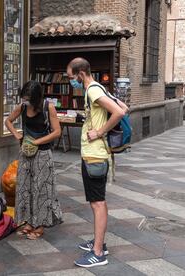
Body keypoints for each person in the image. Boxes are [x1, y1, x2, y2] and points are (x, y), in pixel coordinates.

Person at [67, 58, 127, 267]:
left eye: (71, 77)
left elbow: (120, 112)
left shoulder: (92, 90)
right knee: (98, 201)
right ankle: (99, 242)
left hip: (95, 155)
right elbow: (124, 106)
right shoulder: (99, 87)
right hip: (96, 155)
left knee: (97, 203)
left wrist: (99, 131)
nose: (70, 81)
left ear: (80, 74)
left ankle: (98, 252)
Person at [4, 80, 63, 240]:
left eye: (29, 98)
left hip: (43, 154)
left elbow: (57, 132)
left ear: (37, 98)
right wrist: (17, 135)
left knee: (41, 189)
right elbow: (8, 121)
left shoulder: (47, 107)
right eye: (24, 97)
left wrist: (37, 141)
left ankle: (40, 225)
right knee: (25, 187)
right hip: (26, 154)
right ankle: (28, 222)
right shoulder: (22, 107)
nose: (25, 101)